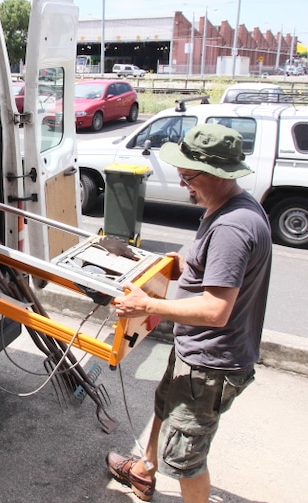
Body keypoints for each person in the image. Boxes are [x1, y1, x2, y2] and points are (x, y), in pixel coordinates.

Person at [105, 124, 273, 502]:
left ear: (216, 174)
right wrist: (182, 265)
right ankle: (144, 472)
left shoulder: (231, 226)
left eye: (188, 176)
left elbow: (215, 310)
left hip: (210, 364)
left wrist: (146, 305)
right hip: (196, 354)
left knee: (186, 459)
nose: (183, 184)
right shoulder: (231, 207)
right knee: (165, 406)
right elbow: (215, 271)